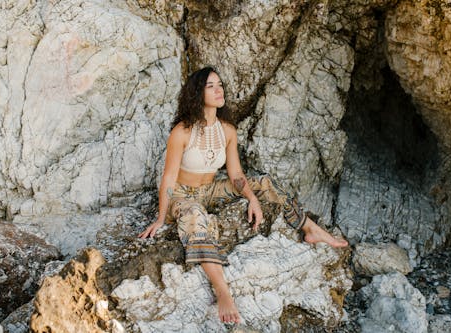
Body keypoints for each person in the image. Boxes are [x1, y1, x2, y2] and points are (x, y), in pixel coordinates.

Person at [138, 67, 348, 324]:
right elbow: (169, 177)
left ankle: (311, 228)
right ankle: (222, 291)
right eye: (211, 86)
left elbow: (236, 174)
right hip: (183, 196)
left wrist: (253, 198)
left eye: (220, 85)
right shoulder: (181, 131)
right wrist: (161, 218)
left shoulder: (226, 129)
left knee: (263, 183)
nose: (219, 90)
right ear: (197, 93)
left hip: (211, 190)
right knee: (195, 216)